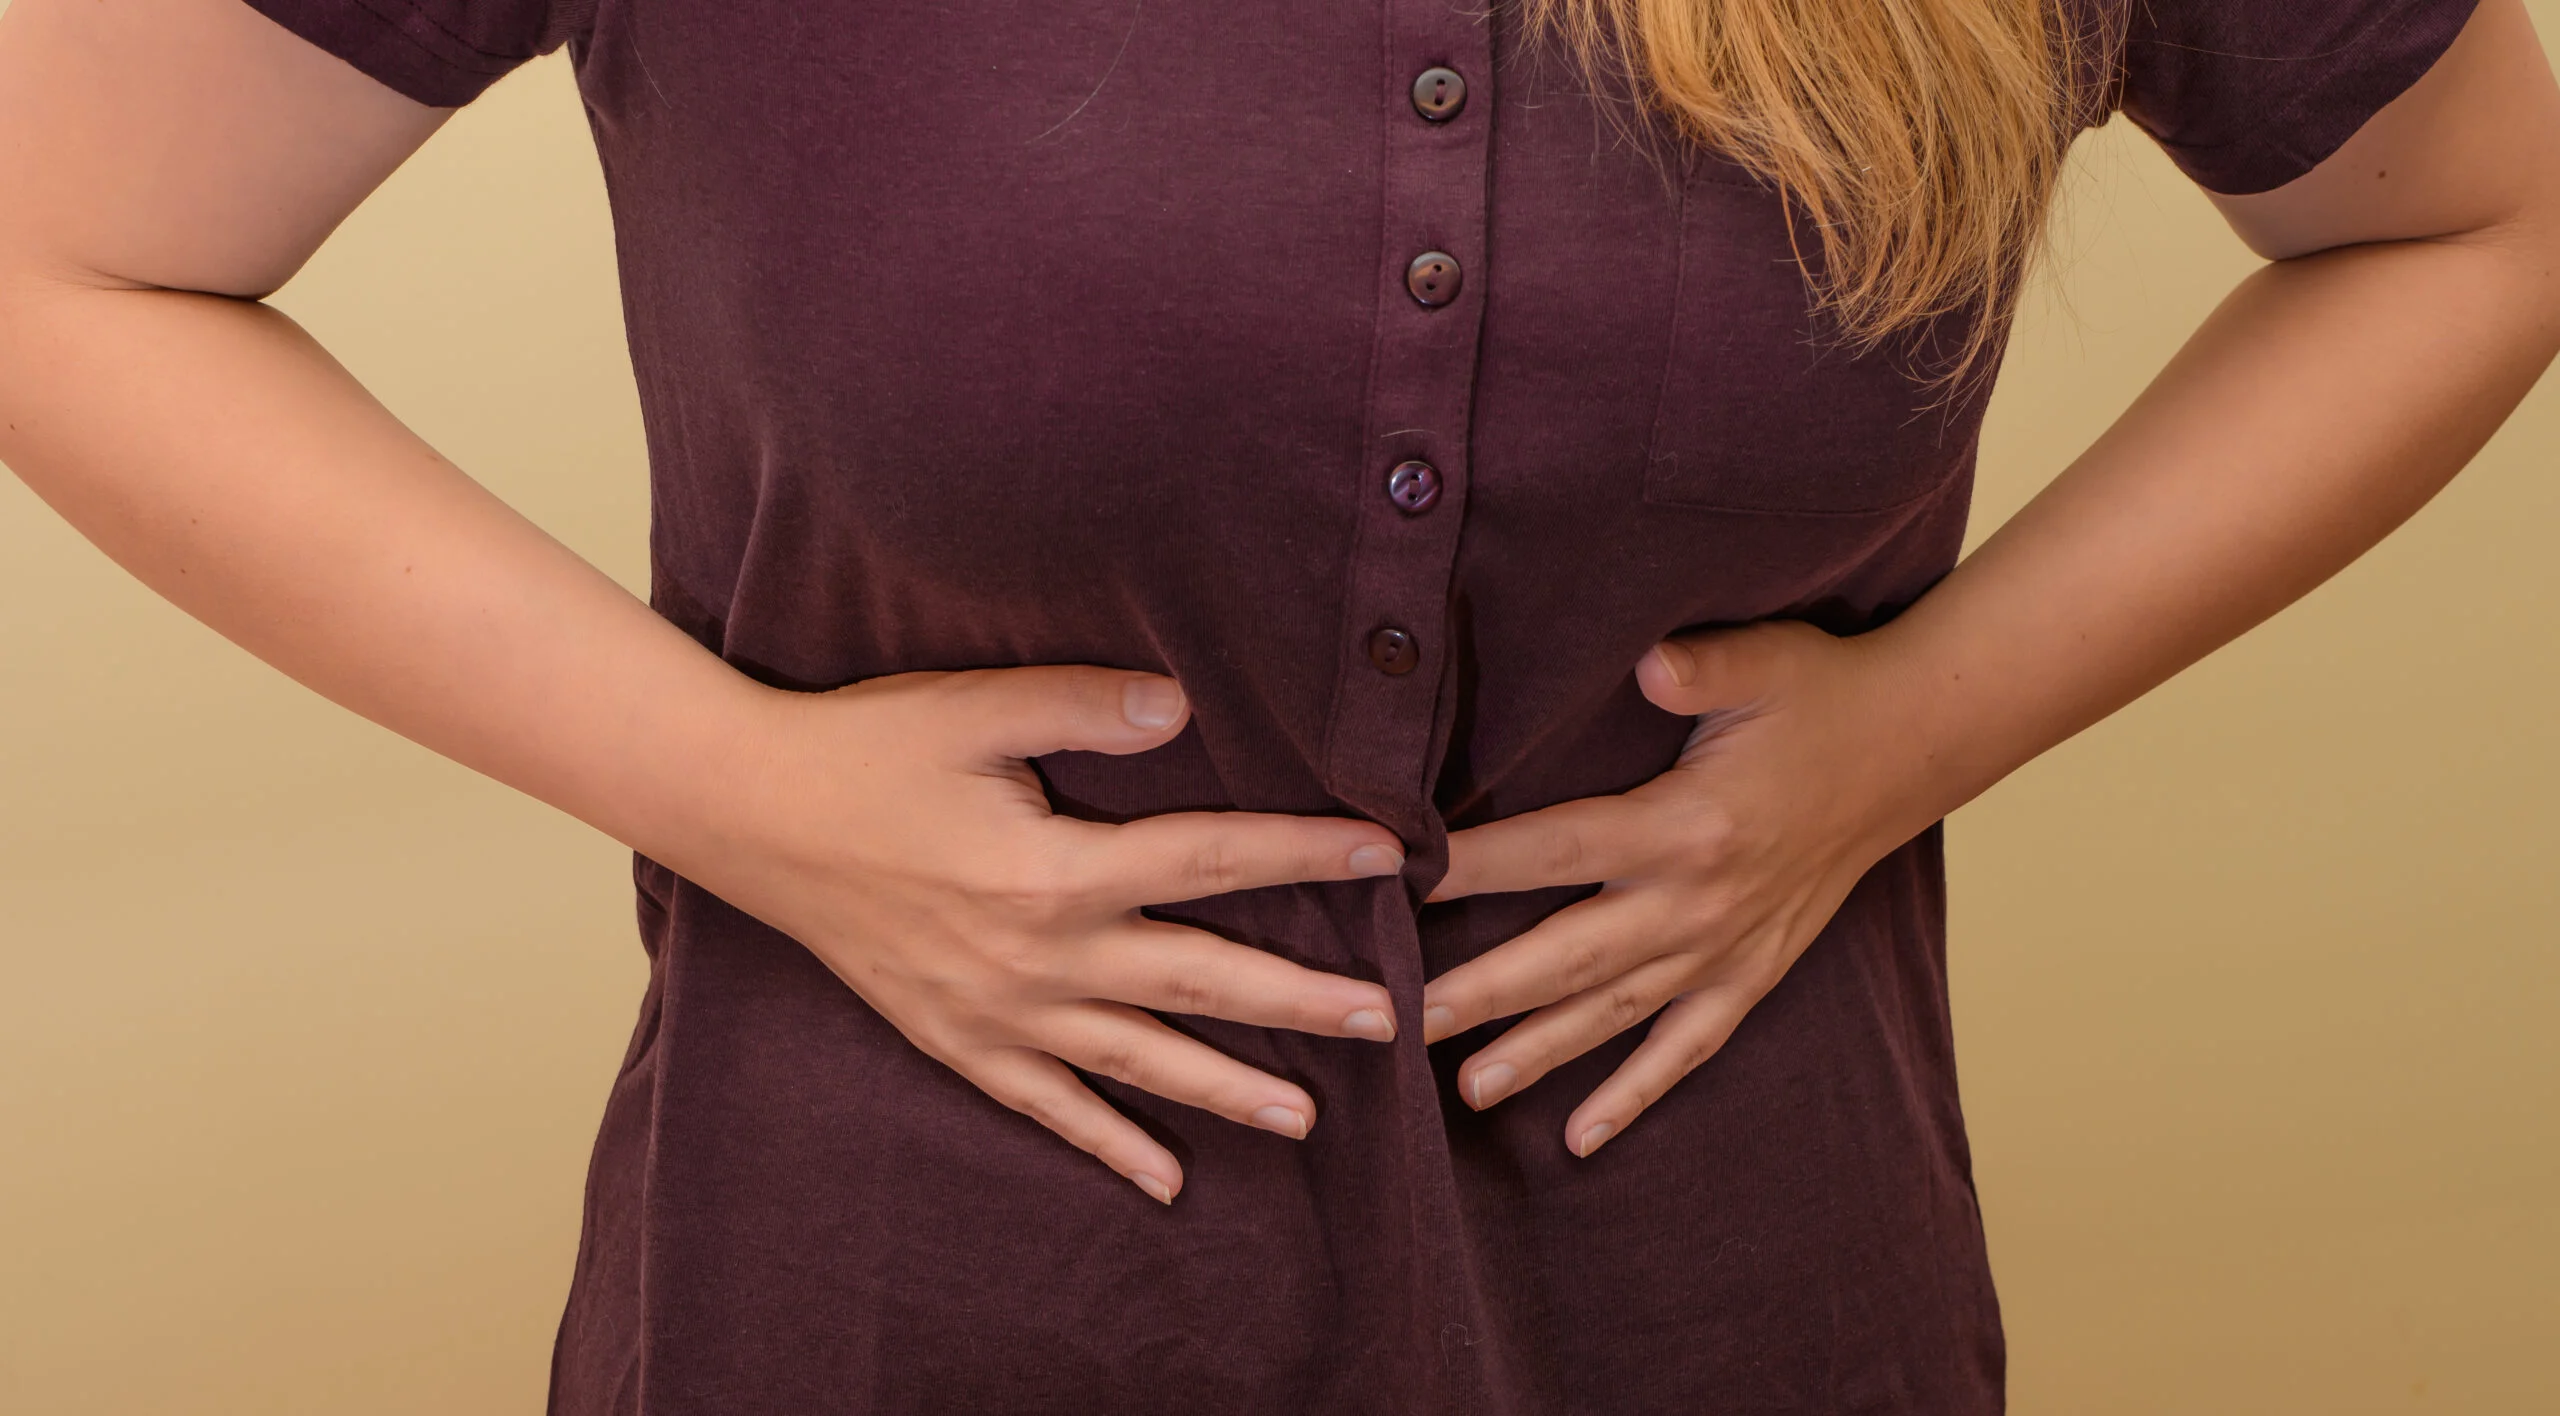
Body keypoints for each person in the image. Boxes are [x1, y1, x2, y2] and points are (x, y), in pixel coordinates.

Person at [2, 0, 2554, 1409]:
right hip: (900, 1299)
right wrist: (735, 792)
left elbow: (2476, 220)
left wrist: (1924, 722)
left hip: (1741, 1291)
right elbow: (65, 261)